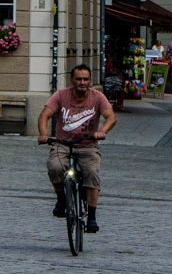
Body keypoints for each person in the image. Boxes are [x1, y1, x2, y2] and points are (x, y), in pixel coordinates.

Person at [38, 63, 117, 231]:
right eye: (79, 79)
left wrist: (102, 131)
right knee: (55, 167)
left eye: (86, 79)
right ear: (72, 80)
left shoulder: (97, 97)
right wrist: (43, 134)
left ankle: (92, 217)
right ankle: (61, 199)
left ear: (90, 80)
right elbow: (45, 115)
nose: (82, 82)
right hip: (63, 144)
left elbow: (111, 117)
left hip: (88, 145)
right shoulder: (61, 95)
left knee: (92, 175)